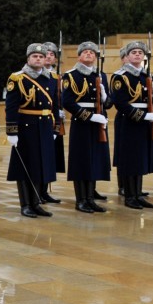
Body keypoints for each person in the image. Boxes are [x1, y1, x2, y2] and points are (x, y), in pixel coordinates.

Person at [6, 43, 57, 218]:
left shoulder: (51, 78)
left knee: (40, 166)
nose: (38, 59)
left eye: (41, 57)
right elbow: (11, 107)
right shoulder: (17, 78)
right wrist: (12, 132)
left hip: (44, 126)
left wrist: (55, 128)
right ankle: (25, 204)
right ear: (28, 59)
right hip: (25, 127)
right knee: (24, 166)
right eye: (35, 56)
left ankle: (36, 202)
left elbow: (55, 106)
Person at [61, 41, 112, 212]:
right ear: (79, 56)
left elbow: (109, 103)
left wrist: (105, 98)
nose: (89, 54)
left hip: (99, 123)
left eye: (92, 52)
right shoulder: (71, 75)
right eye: (86, 52)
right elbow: (67, 101)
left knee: (95, 161)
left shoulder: (101, 75)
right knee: (81, 161)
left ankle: (90, 198)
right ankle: (81, 200)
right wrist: (89, 116)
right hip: (82, 123)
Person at [109, 42, 153, 208]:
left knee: (140, 159)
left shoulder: (145, 76)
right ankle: (130, 196)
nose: (137, 55)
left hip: (143, 122)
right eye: (134, 52)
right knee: (130, 159)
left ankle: (138, 194)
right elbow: (120, 103)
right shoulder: (120, 77)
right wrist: (143, 115)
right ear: (127, 56)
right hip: (129, 121)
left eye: (140, 52)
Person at [41, 42, 65, 203]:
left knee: (51, 157)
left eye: (52, 54)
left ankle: (45, 190)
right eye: (47, 53)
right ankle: (38, 191)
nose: (49, 56)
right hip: (41, 119)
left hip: (54, 119)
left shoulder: (58, 77)